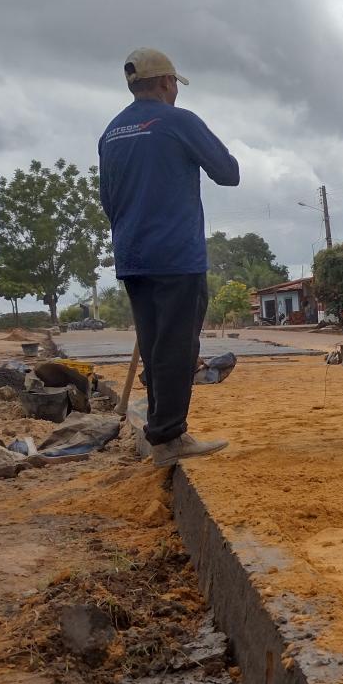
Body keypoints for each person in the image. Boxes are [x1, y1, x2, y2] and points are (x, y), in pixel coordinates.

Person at [98, 48, 238, 468]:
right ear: (165, 83)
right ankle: (168, 437)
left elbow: (108, 201)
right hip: (176, 254)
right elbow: (229, 173)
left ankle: (160, 430)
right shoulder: (179, 121)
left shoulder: (111, 132)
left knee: (157, 342)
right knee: (176, 347)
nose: (176, 90)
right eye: (175, 83)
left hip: (132, 255)